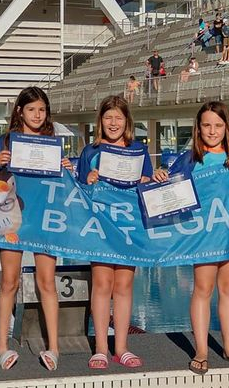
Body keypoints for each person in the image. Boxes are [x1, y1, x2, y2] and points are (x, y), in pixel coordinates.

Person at [153, 101, 229, 375]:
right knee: (202, 289)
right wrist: (160, 176)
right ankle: (201, 350)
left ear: (227, 128)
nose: (212, 131)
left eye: (218, 125)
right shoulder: (189, 159)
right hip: (203, 234)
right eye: (207, 125)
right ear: (198, 128)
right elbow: (169, 189)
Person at [0, 86, 73, 371]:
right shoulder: (5, 141)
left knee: (47, 283)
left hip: (44, 219)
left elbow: (63, 188)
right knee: (9, 282)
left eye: (42, 109)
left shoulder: (53, 143)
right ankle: (2, 346)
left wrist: (67, 169)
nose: (37, 114)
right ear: (20, 111)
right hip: (13, 217)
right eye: (31, 109)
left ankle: (54, 348)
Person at [77, 95, 153, 370]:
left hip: (128, 226)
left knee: (123, 286)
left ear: (127, 121)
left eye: (118, 118)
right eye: (108, 117)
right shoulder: (90, 152)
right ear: (101, 121)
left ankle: (121, 347)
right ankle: (100, 347)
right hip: (100, 225)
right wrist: (87, 180)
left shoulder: (138, 151)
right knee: (102, 284)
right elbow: (79, 194)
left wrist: (147, 180)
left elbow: (147, 188)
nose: (113, 123)